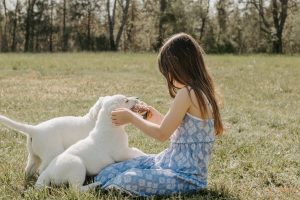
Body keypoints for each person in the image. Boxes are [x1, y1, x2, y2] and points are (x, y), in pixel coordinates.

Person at [92, 33, 224, 197]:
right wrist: (151, 115)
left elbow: (162, 134)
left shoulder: (187, 93)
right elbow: (179, 132)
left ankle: (103, 186)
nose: (168, 77)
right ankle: (101, 182)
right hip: (169, 162)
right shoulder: (201, 92)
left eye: (168, 72)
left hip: (184, 177)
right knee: (113, 170)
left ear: (178, 66)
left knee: (126, 179)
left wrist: (132, 118)